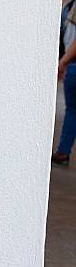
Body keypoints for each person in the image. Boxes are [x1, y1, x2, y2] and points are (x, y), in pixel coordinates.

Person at [52, 24, 76, 166]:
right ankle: (63, 151)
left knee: (72, 111)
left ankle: (63, 152)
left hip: (73, 65)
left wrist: (63, 61)